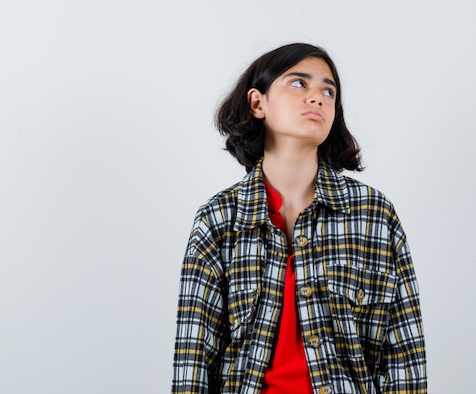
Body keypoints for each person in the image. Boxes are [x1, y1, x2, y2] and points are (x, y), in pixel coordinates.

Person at [171, 43, 427, 394]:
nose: (317, 97)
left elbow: (404, 356)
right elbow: (193, 358)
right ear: (258, 103)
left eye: (328, 90)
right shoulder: (218, 218)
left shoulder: (374, 214)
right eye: (298, 83)